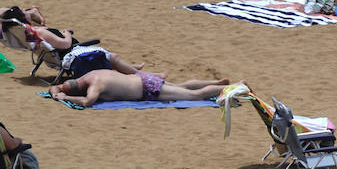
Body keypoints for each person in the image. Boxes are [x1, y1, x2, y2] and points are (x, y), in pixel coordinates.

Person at [0, 8, 156, 76]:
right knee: (112, 56)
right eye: (25, 12)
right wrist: (66, 34)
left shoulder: (26, 34)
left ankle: (130, 68)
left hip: (58, 56)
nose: (28, 12)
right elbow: (65, 45)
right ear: (23, 19)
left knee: (113, 58)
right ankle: (141, 74)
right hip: (72, 53)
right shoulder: (39, 32)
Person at [48, 70, 230, 106]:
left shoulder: (95, 86)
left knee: (194, 96)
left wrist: (66, 98)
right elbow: (55, 87)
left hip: (147, 88)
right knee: (181, 86)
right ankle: (217, 83)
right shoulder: (88, 76)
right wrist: (57, 92)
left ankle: (236, 86)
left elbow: (88, 102)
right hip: (142, 78)